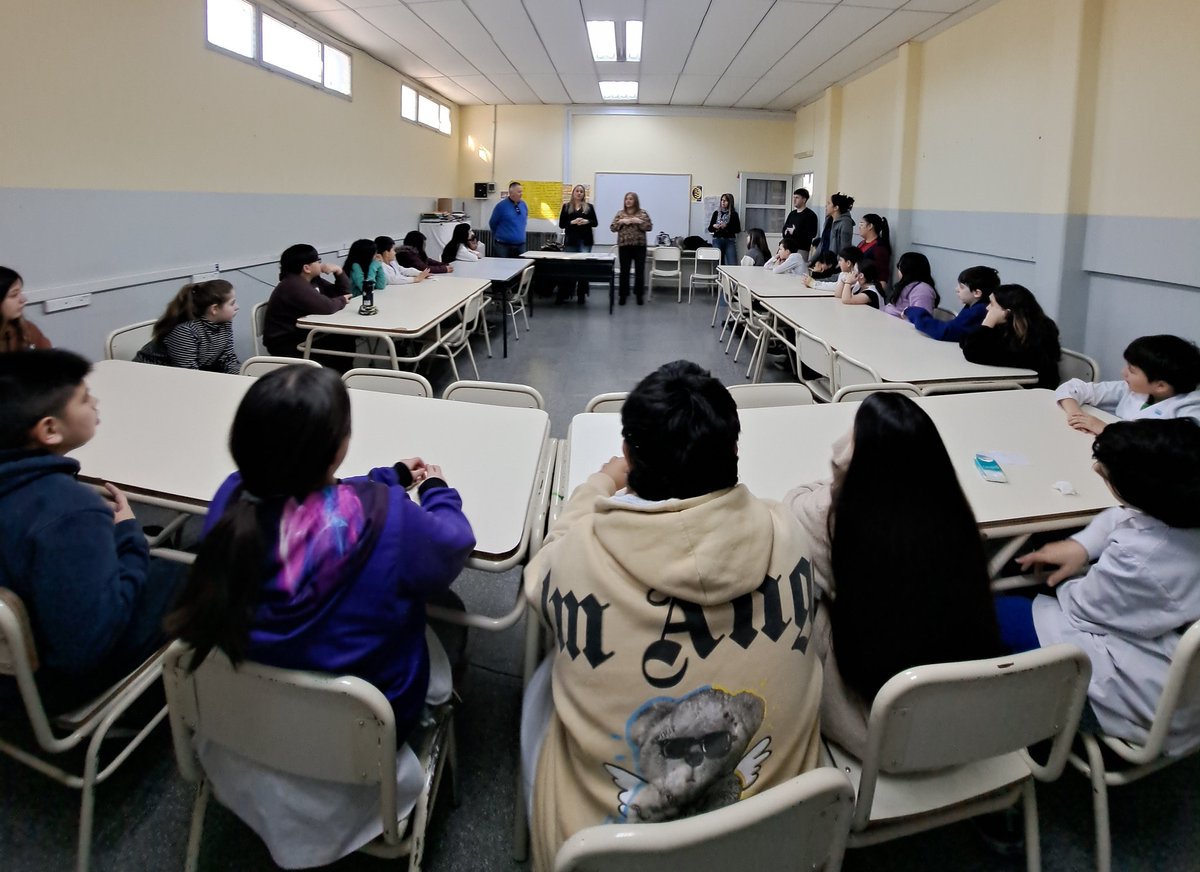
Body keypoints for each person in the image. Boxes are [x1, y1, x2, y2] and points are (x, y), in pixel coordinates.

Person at [165, 364, 476, 868]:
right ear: (338, 448)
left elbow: (301, 495)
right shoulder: (387, 516)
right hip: (363, 729)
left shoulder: (231, 497)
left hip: (240, 714)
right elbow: (454, 544)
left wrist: (386, 478)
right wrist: (437, 491)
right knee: (451, 615)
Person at [520, 360, 822, 871]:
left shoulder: (581, 555)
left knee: (538, 683)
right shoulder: (788, 534)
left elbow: (542, 571)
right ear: (733, 453)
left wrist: (598, 484)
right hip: (778, 845)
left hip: (606, 856)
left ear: (630, 457)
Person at [782, 393, 1004, 757]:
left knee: (809, 594)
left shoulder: (836, 529)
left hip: (881, 738)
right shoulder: (955, 521)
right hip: (968, 734)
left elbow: (795, 503)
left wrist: (838, 481)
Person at [0, 350, 185, 713]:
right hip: (49, 685)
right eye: (85, 398)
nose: (96, 401)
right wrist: (129, 537)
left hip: (10, 666)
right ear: (50, 429)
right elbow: (88, 645)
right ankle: (159, 702)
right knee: (191, 575)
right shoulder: (69, 509)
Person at [1000, 419, 1200, 755]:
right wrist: (1083, 546)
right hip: (1165, 657)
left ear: (1145, 492)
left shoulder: (1142, 558)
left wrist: (1072, 574)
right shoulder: (1180, 510)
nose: (1096, 470)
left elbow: (1082, 610)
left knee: (987, 611)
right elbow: (1122, 516)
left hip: (1139, 694)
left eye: (1105, 473)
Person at [1056, 335, 1200, 434]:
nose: (1123, 373)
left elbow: (1163, 448)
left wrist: (1105, 429)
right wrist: (1076, 414)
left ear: (1160, 386)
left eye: (1132, 370)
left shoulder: (1189, 412)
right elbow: (1072, 388)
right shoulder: (1130, 389)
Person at [262, 243, 353, 371]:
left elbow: (344, 293)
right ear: (307, 268)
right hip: (287, 344)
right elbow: (328, 306)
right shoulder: (293, 285)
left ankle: (340, 379)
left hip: (304, 335)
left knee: (344, 339)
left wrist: (339, 272)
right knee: (341, 342)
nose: (320, 264)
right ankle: (335, 381)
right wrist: (342, 300)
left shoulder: (313, 280)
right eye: (318, 260)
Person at [960, 284, 1061, 389]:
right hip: (1010, 386)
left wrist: (988, 322)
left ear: (1007, 313)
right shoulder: (1006, 327)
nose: (987, 307)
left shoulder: (1038, 335)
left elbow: (972, 352)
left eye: (992, 304)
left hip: (1031, 390)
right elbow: (965, 340)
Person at [134, 279, 240, 373]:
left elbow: (228, 360)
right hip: (148, 375)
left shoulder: (224, 324)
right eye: (232, 303)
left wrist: (246, 378)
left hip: (181, 376)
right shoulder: (185, 331)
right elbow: (188, 374)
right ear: (214, 309)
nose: (237, 307)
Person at [907, 265, 999, 342]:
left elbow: (945, 331)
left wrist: (915, 313)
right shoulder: (973, 306)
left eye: (962, 287)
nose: (956, 289)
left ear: (977, 293)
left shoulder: (979, 311)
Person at [610, 192, 653, 306]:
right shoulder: (620, 214)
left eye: (631, 199)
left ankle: (639, 296)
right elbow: (612, 228)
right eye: (626, 199)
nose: (628, 201)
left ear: (635, 201)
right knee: (625, 271)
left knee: (639, 271)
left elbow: (649, 227)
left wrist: (639, 222)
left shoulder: (642, 213)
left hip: (639, 246)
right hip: (624, 247)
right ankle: (623, 296)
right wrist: (621, 222)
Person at [557, 185, 598, 304]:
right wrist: (572, 222)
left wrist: (587, 221)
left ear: (584, 194)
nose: (579, 193)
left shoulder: (589, 207)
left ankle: (581, 294)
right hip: (571, 242)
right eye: (577, 191)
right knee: (568, 267)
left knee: (583, 268)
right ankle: (566, 293)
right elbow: (561, 224)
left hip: (585, 242)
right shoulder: (566, 207)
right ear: (573, 193)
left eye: (581, 191)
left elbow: (595, 223)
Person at [0, 267, 51, 353]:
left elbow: (52, 360)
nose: (23, 299)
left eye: (20, 292)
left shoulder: (27, 329)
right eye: (14, 295)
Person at [882, 251, 938, 318]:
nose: (898, 271)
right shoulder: (906, 285)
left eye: (899, 267)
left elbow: (920, 319)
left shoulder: (922, 289)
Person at [489, 181, 528, 259]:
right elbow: (492, 223)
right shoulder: (501, 206)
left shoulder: (523, 205)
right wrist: (502, 235)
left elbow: (523, 221)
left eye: (522, 191)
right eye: (519, 192)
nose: (521, 194)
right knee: (502, 269)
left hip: (520, 245)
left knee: (521, 268)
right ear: (511, 193)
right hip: (503, 246)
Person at [781, 188, 818, 258]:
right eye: (794, 197)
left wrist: (794, 232)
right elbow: (785, 227)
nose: (794, 200)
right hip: (788, 248)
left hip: (801, 249)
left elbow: (812, 233)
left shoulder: (810, 215)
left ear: (804, 200)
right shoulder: (792, 214)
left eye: (797, 198)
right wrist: (786, 232)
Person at [707, 193, 742, 266]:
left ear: (730, 202)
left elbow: (737, 229)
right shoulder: (716, 213)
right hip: (717, 239)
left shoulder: (734, 214)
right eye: (722, 200)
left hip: (729, 240)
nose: (723, 202)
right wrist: (714, 226)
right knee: (718, 263)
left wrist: (726, 226)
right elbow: (710, 228)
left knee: (733, 263)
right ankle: (719, 277)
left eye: (725, 201)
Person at [856, 213, 891, 284]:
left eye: (861, 224)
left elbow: (883, 275)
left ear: (870, 226)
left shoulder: (879, 248)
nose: (859, 227)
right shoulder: (861, 243)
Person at [818, 192, 855, 257]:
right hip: (824, 260)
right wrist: (811, 261)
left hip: (835, 262)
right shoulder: (828, 220)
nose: (826, 206)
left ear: (836, 207)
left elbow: (845, 249)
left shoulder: (846, 223)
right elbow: (822, 243)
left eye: (829, 203)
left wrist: (837, 263)